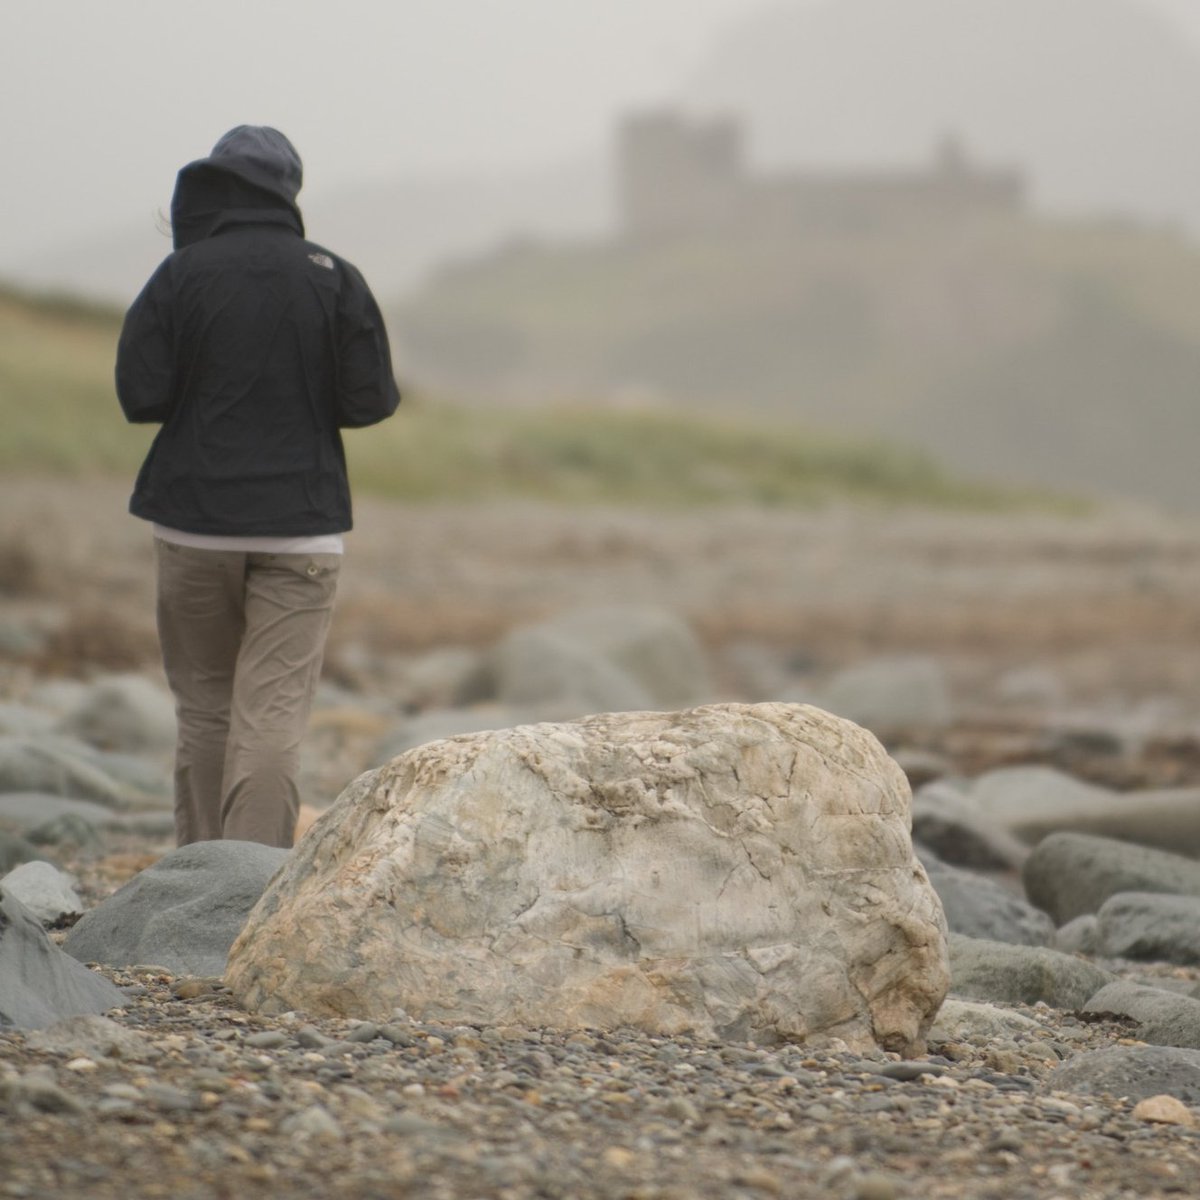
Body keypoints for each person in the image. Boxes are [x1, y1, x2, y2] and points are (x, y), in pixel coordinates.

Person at [115, 125, 400, 849]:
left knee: (206, 710)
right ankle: (252, 892)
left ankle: (201, 880)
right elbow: (370, 402)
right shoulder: (334, 275)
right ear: (288, 191)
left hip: (190, 524)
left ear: (215, 184)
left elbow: (139, 395)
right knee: (270, 718)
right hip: (301, 528)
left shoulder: (180, 275)